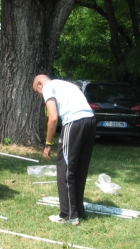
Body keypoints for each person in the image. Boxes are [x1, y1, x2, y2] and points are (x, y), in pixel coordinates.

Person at [32, 75, 96, 225]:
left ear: (40, 84)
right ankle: (79, 211)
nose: (40, 95)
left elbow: (53, 117)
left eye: (38, 92)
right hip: (90, 121)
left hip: (74, 122)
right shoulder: (67, 85)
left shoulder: (48, 87)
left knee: (65, 168)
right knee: (80, 168)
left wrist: (48, 143)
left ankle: (68, 215)